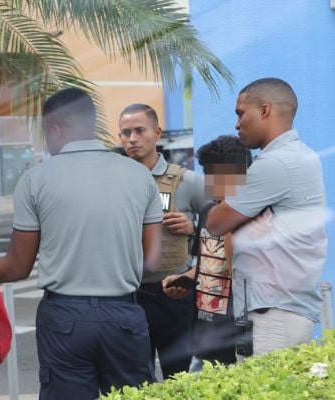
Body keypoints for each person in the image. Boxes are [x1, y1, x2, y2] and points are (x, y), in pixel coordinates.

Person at [0, 88, 163, 399]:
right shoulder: (140, 176)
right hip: (124, 314)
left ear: (55, 129)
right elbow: (153, 261)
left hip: (65, 318)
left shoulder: (36, 179)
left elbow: (17, 267)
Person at [206, 78, 327, 359]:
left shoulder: (274, 164)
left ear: (264, 110)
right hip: (276, 310)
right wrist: (245, 218)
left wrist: (234, 215)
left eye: (240, 113)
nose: (236, 124)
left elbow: (215, 223)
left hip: (272, 315)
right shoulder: (300, 155)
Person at [118, 103, 206, 378]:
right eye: (125, 132)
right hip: (127, 296)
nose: (132, 138)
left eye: (139, 130)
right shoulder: (113, 184)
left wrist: (192, 227)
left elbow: (221, 231)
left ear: (157, 132)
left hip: (174, 294)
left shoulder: (188, 181)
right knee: (133, 380)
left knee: (178, 377)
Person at [162, 135, 253, 370]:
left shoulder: (254, 218)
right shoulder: (207, 211)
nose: (210, 184)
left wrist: (233, 219)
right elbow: (205, 264)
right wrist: (185, 280)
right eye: (208, 174)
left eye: (217, 177)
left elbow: (241, 271)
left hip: (237, 339)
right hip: (203, 338)